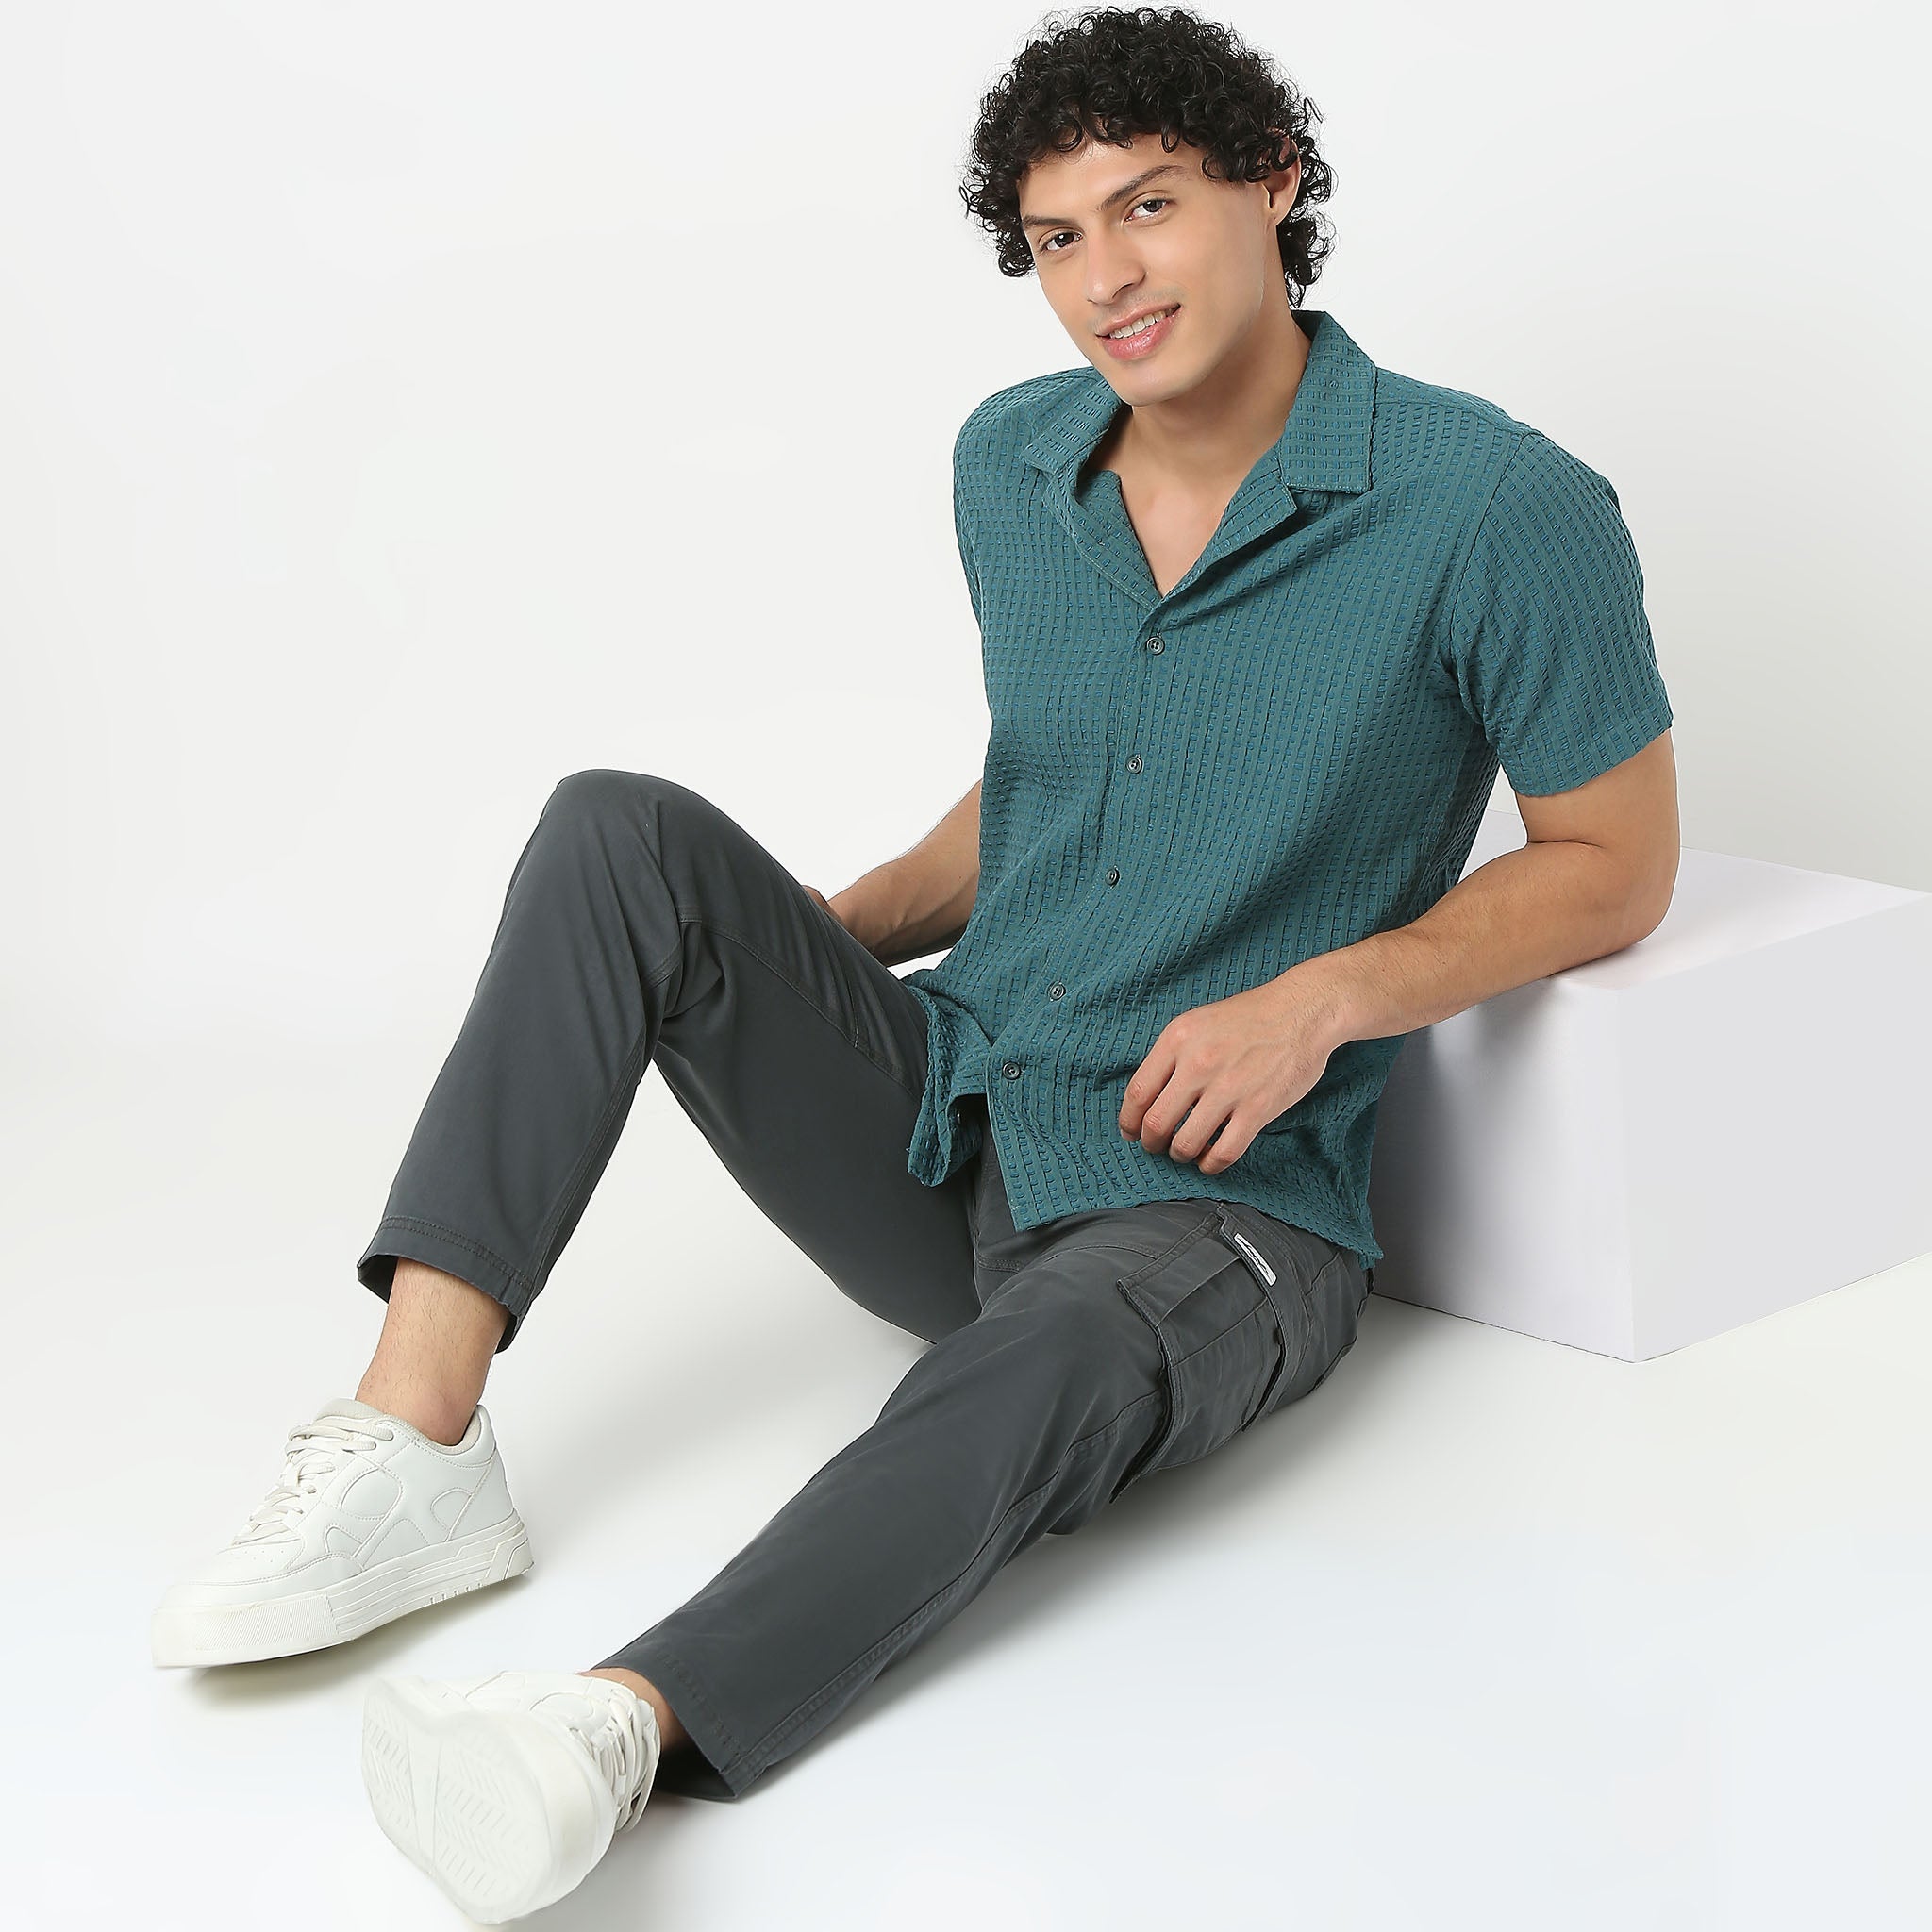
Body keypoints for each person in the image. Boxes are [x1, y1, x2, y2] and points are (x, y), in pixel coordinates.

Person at [152, 6, 1680, 1921]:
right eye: (1055, 239)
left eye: (1148, 206)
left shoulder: (1496, 505)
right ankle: (415, 1441)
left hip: (1216, 1206)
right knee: (617, 829)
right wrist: (810, 933)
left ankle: (614, 1729)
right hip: (963, 1111)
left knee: (1046, 1354)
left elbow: (1616, 863)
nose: (1105, 279)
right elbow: (1056, 769)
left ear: (1273, 184)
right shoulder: (1011, 463)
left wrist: (1326, 997)